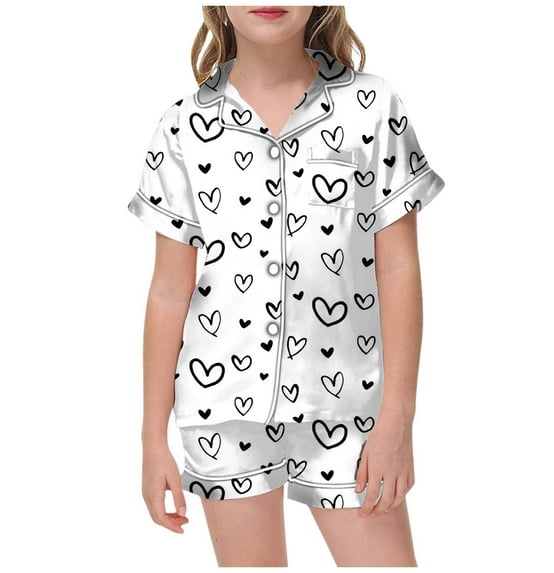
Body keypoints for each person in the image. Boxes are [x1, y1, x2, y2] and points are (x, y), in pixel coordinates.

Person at [126, 5, 445, 567]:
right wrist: (153, 438)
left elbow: (398, 270)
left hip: (349, 408)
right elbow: (169, 291)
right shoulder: (182, 127)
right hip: (221, 411)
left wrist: (398, 416)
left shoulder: (371, 108)